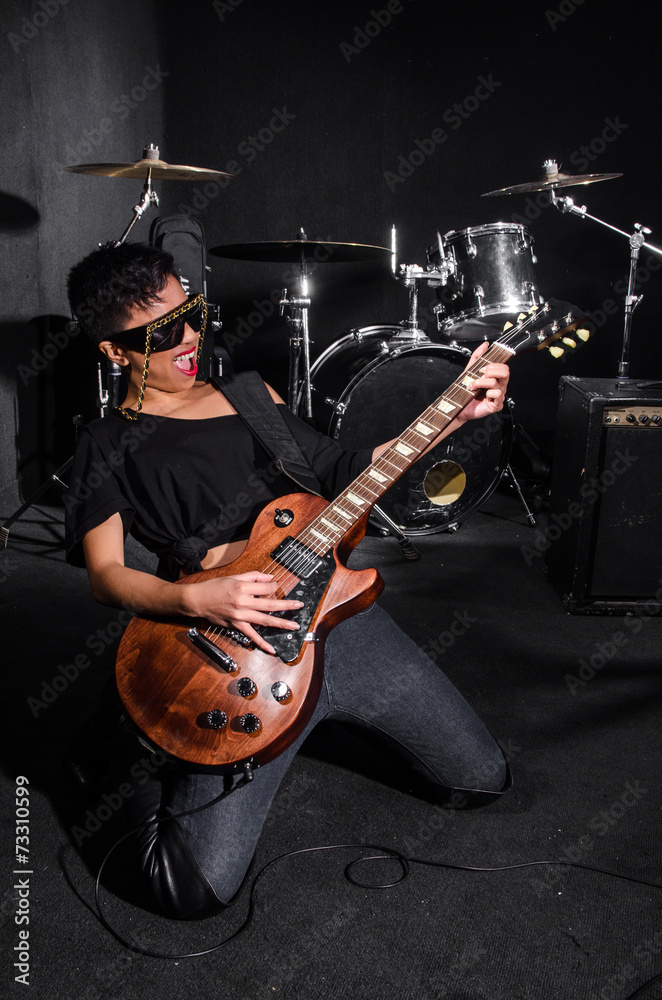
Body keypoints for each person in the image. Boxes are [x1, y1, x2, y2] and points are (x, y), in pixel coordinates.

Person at [64, 241, 512, 920]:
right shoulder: (103, 441)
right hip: (228, 646)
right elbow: (105, 577)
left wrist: (454, 416)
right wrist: (192, 595)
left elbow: (344, 470)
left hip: (338, 611)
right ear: (113, 349)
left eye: (193, 314)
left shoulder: (250, 393)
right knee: (194, 892)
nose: (190, 337)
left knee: (483, 782)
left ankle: (320, 715)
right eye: (162, 331)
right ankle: (126, 753)